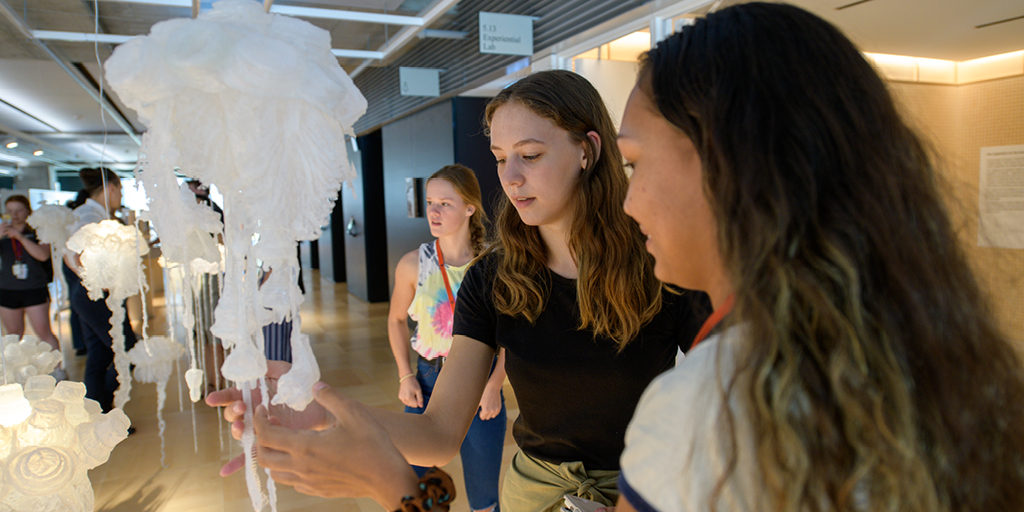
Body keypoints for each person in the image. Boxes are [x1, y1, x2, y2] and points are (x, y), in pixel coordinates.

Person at [208, 70, 710, 511]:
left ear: (588, 149)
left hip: (644, 489)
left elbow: (734, 406)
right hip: (536, 494)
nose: (511, 179)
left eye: (530, 155)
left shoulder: (665, 263)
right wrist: (316, 410)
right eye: (499, 157)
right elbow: (438, 433)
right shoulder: (494, 279)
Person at [612, 3, 1024, 512]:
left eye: (633, 163)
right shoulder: (945, 362)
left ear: (727, 160)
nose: (628, 204)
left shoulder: (708, 404)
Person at [388, 164, 507, 512]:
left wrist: (495, 384)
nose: (434, 212)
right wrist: (404, 374)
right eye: (429, 203)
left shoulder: (495, 263)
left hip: (479, 381)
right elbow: (396, 320)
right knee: (406, 490)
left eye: (445, 203)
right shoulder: (413, 264)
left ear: (470, 207)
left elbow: (512, 336)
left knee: (484, 497)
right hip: (425, 380)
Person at [64, 167, 138, 412]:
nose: (120, 197)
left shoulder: (88, 214)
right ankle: (105, 410)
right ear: (111, 187)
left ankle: (98, 413)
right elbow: (75, 256)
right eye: (120, 191)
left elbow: (68, 256)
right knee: (128, 350)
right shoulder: (89, 217)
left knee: (98, 356)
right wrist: (99, 279)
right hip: (95, 296)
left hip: (87, 293)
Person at [0, 195, 61, 354]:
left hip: (34, 288)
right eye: (10, 211)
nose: (14, 215)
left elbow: (43, 255)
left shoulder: (38, 231)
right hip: (8, 289)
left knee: (43, 331)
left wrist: (19, 237)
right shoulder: (2, 233)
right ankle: (12, 372)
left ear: (27, 211)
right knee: (12, 335)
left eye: (19, 210)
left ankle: (58, 370)